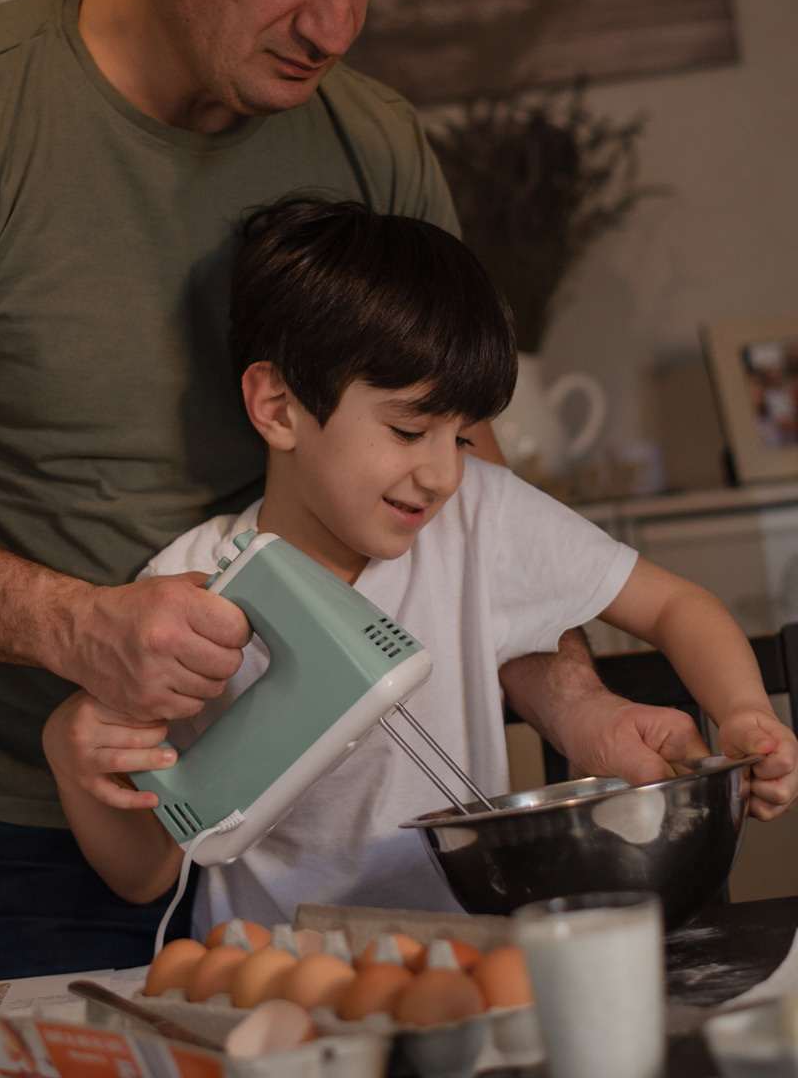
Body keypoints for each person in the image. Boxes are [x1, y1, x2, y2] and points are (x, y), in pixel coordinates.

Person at [0, 0, 759, 978]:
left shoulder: (371, 138)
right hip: (10, 829)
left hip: (335, 874)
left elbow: (465, 478)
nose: (333, 20)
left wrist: (571, 699)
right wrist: (76, 629)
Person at [43, 199, 798, 938]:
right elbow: (143, 875)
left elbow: (678, 608)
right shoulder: (183, 589)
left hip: (477, 966)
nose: (440, 474)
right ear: (277, 406)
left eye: (462, 438)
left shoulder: (479, 519)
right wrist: (71, 750)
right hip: (278, 991)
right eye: (408, 430)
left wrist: (742, 715)